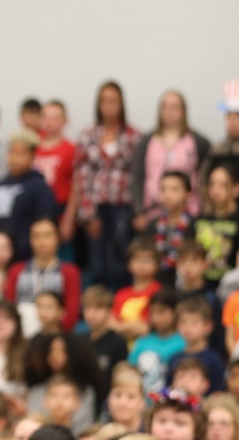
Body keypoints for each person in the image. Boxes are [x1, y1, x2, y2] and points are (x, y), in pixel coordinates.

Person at [71, 80, 140, 290]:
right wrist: (88, 214)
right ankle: (98, 309)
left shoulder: (133, 136)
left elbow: (138, 176)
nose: (109, 106)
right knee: (98, 264)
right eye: (105, 101)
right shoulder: (87, 135)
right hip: (95, 208)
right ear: (98, 105)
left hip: (123, 207)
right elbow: (81, 176)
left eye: (114, 101)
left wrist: (138, 211)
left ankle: (121, 306)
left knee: (121, 261)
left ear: (121, 104)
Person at [131, 90, 208, 218]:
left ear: (183, 111)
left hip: (189, 212)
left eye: (174, 107)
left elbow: (205, 177)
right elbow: (137, 176)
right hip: (152, 212)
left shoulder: (197, 142)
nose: (169, 111)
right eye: (165, 107)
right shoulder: (147, 141)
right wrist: (139, 209)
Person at [0, 133, 56, 261]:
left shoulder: (40, 188)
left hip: (24, 257)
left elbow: (44, 222)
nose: (15, 159)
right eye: (12, 153)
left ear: (32, 157)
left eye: (22, 154)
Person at [4, 217, 80, 334]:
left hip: (55, 334)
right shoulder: (16, 270)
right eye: (36, 236)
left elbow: (72, 312)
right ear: (30, 240)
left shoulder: (69, 272)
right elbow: (8, 306)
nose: (42, 241)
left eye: (47, 235)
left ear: (57, 238)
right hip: (21, 334)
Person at [167, 296, 226, 393]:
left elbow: (218, 393)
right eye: (183, 322)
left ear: (208, 326)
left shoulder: (214, 359)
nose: (188, 327)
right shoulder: (174, 358)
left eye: (195, 322)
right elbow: (169, 388)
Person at [143, 170, 194, 283]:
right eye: (163, 189)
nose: (167, 195)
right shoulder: (153, 225)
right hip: (156, 281)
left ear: (189, 194)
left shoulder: (195, 225)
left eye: (174, 189)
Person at [128, 289, 184, 391]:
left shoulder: (183, 342)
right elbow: (130, 371)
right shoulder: (142, 341)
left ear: (175, 312)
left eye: (162, 311)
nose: (156, 317)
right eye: (153, 312)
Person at [80, 286, 128, 403]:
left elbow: (119, 378)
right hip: (83, 401)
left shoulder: (117, 342)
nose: (92, 314)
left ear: (109, 311)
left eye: (98, 308)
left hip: (106, 401)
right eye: (88, 308)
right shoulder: (80, 341)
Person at [34, 101, 77, 231]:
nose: (49, 122)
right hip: (34, 209)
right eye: (45, 117)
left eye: (55, 118)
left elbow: (76, 187)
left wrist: (68, 220)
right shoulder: (32, 147)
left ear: (65, 121)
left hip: (59, 210)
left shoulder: (71, 149)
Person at [194, 167, 239, 289]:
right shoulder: (198, 220)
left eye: (222, 184)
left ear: (236, 188)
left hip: (231, 288)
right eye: (211, 184)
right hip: (200, 286)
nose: (215, 190)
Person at [110, 239, 162, 342]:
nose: (141, 265)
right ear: (129, 264)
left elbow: (147, 328)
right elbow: (111, 324)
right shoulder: (121, 294)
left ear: (157, 265)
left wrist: (121, 327)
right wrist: (129, 327)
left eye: (147, 261)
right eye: (137, 260)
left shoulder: (159, 292)